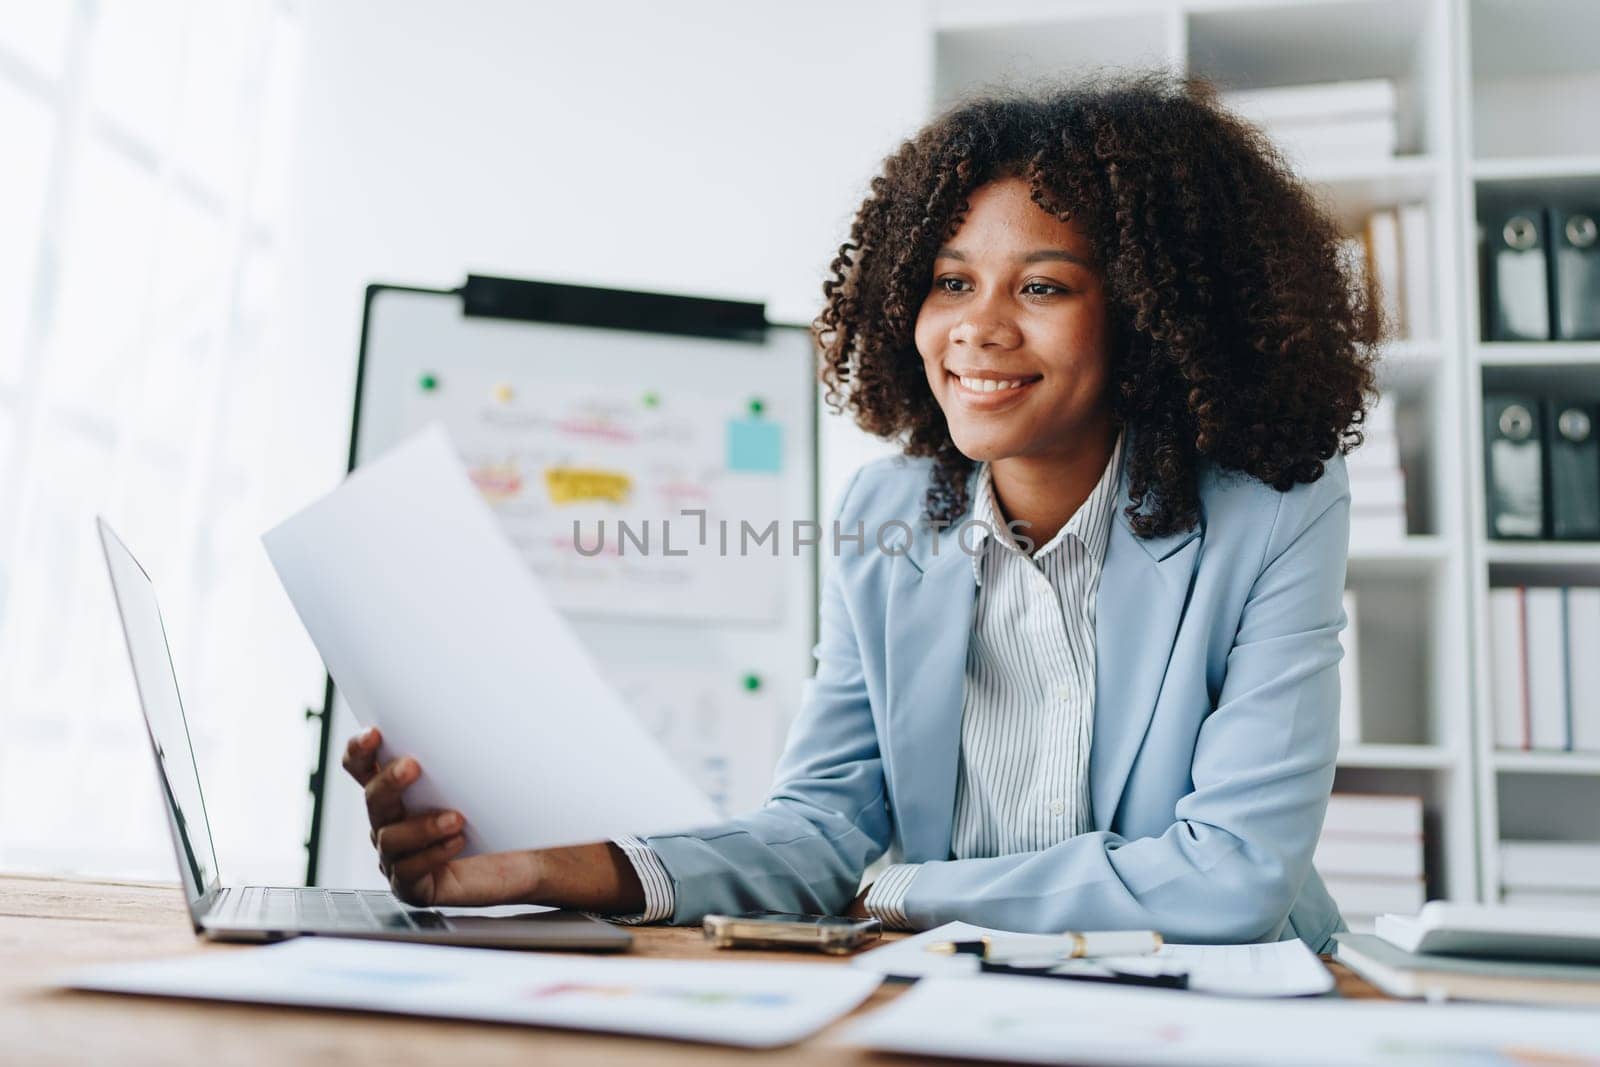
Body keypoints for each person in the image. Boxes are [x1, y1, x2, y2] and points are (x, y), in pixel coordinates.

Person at [342, 73, 1378, 951]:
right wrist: (548, 867)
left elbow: (1229, 876)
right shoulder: (886, 516)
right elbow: (820, 832)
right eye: (949, 280)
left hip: (1230, 1017)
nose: (977, 329)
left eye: (1044, 288)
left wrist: (901, 889)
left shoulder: (1270, 513)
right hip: (958, 1000)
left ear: (1154, 315)